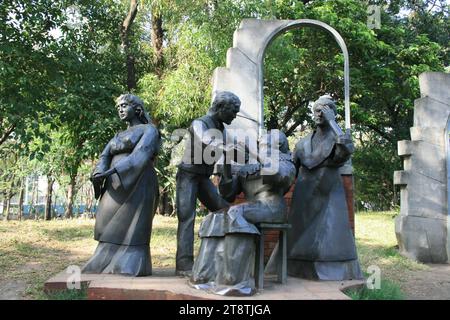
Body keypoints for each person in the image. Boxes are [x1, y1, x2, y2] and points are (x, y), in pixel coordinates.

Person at [189, 130, 296, 295]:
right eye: (261, 143)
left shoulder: (285, 162)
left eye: (266, 144)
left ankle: (234, 281)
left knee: (235, 214)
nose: (262, 146)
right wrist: (226, 161)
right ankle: (203, 276)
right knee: (215, 216)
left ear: (279, 146)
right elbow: (228, 194)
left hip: (273, 207)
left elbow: (277, 176)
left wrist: (256, 152)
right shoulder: (250, 165)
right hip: (252, 207)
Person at [269, 95, 362, 280]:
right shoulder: (302, 143)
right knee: (295, 236)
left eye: (324, 110)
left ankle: (328, 270)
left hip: (328, 195)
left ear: (332, 113)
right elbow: (289, 170)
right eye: (316, 110)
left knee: (326, 238)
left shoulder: (338, 137)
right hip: (303, 196)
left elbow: (345, 150)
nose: (319, 113)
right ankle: (291, 266)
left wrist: (332, 122)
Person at [82, 94, 160, 276]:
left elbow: (142, 153)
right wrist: (99, 172)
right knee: (105, 218)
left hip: (138, 182)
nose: (121, 110)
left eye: (124, 106)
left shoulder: (149, 130)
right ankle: (103, 260)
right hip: (114, 184)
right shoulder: (118, 135)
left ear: (137, 109)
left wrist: (116, 170)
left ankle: (129, 264)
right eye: (118, 108)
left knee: (134, 225)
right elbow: (105, 156)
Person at [175, 91, 241, 276]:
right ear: (221, 108)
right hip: (187, 175)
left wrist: (227, 180)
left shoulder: (222, 128)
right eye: (233, 111)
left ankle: (222, 258)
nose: (235, 116)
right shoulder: (199, 123)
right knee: (187, 218)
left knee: (223, 209)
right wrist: (226, 148)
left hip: (203, 178)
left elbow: (226, 156)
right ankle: (184, 265)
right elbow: (206, 141)